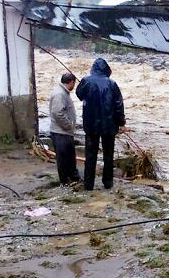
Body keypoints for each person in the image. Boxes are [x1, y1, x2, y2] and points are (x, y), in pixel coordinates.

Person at [76, 58, 125, 190]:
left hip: (91, 126)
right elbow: (119, 105)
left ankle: (88, 184)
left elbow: (79, 95)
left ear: (93, 68)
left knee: (90, 155)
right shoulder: (112, 84)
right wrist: (122, 123)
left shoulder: (86, 81)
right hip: (109, 126)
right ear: (107, 69)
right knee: (108, 156)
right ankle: (108, 183)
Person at [49, 72, 81, 185]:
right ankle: (65, 181)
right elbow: (57, 113)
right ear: (71, 82)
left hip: (64, 132)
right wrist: (69, 125)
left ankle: (73, 178)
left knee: (70, 157)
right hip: (61, 132)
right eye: (74, 83)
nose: (74, 86)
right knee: (63, 159)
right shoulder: (60, 94)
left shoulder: (62, 92)